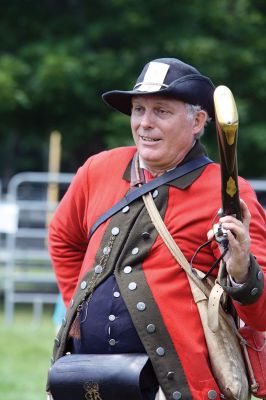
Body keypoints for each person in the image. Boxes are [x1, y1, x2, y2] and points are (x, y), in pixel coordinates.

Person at [47, 58, 266, 400]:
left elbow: (261, 315)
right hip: (88, 376)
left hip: (175, 387)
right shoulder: (97, 170)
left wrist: (241, 271)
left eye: (161, 111)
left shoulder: (229, 192)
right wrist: (79, 308)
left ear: (197, 121)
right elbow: (62, 237)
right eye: (138, 109)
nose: (144, 123)